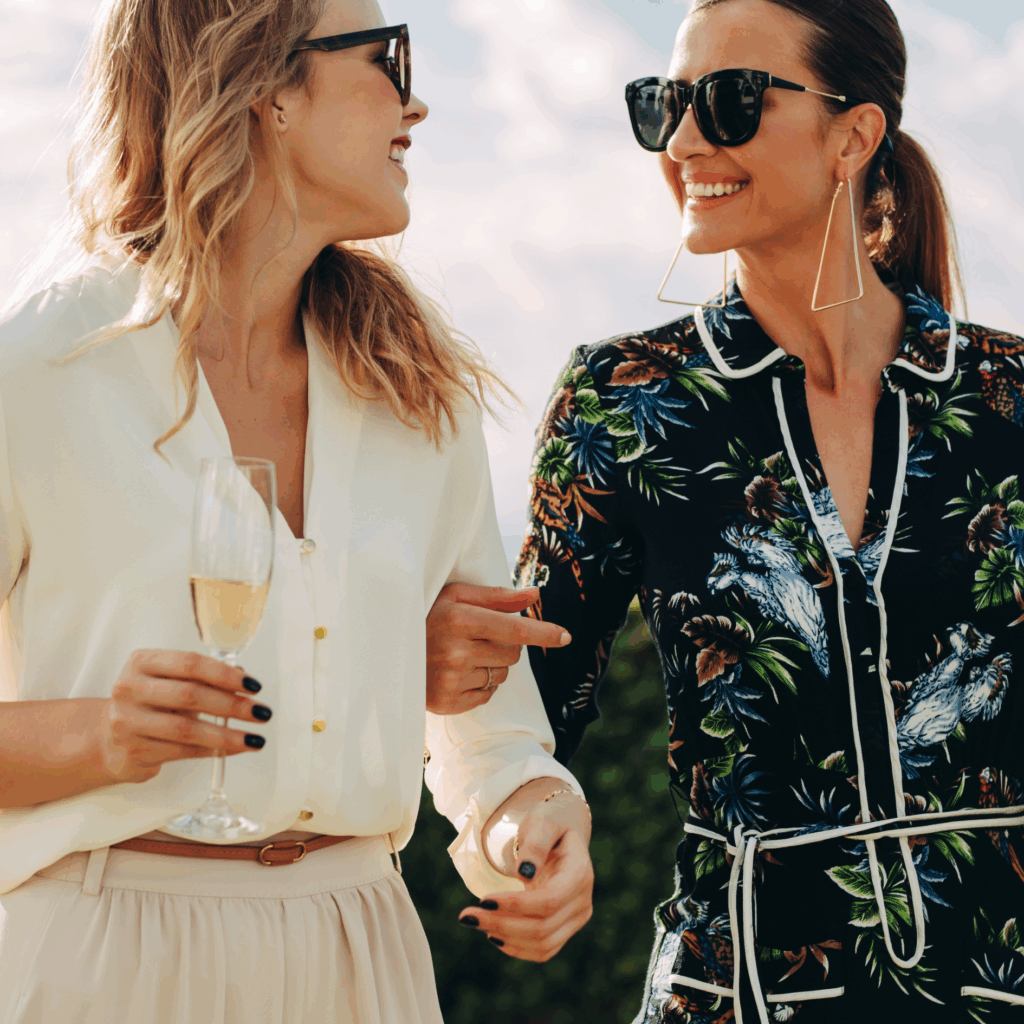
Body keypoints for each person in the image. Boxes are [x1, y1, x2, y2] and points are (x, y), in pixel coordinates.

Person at [426, 0, 1024, 1020]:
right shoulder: (622, 400)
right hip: (732, 993)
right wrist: (513, 827)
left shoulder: (1008, 397)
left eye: (731, 101)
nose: (686, 140)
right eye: (664, 104)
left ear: (855, 134)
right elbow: (527, 700)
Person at [0, 1, 594, 1021]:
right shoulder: (44, 371)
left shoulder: (419, 391)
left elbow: (490, 744)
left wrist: (531, 827)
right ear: (264, 86)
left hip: (359, 953)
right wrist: (103, 732)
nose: (416, 101)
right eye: (384, 57)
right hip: (99, 958)